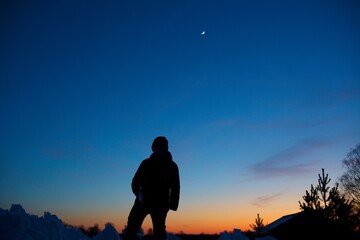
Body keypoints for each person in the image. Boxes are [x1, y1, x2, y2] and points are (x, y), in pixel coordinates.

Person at [125, 136, 180, 240]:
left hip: (161, 204)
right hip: (143, 202)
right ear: (154, 148)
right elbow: (135, 181)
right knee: (132, 225)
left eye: (165, 146)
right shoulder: (145, 163)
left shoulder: (172, 166)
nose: (162, 149)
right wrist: (139, 194)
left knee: (159, 232)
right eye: (159, 146)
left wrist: (172, 204)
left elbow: (175, 187)